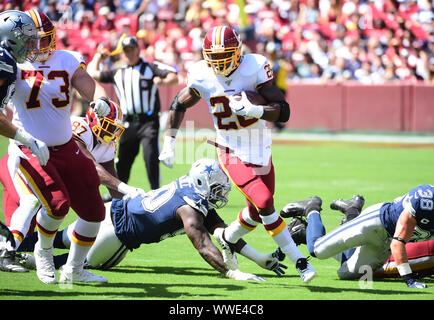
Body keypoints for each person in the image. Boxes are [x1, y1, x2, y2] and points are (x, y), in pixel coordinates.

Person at [158, 25, 316, 283]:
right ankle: (300, 261)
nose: (219, 62)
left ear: (238, 51)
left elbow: (283, 110)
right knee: (265, 203)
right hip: (229, 148)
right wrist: (169, 142)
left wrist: (257, 111)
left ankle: (227, 239)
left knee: (255, 213)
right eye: (214, 57)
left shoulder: (255, 66)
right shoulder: (200, 73)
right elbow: (178, 103)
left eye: (225, 55)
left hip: (260, 145)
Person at [18, 158, 287, 281]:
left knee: (65, 237)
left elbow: (223, 234)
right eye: (216, 189)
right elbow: (204, 244)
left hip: (116, 210)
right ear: (203, 183)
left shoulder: (190, 190)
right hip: (119, 237)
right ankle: (24, 259)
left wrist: (259, 257)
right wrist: (231, 272)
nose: (219, 195)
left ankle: (11, 246)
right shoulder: (190, 209)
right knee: (76, 262)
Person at [4, 8, 112, 284]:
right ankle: (43, 252)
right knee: (57, 204)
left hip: (65, 146)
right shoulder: (11, 63)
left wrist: (100, 101)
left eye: (43, 38)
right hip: (31, 147)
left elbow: (89, 86)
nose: (38, 45)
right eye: (33, 39)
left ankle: (74, 269)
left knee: (94, 211)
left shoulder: (66, 58)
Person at [0, 99, 146, 272]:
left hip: (48, 176)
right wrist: (127, 188)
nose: (111, 132)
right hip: (23, 165)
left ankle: (67, 266)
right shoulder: (78, 126)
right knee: (26, 211)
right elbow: (93, 167)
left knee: (28, 235)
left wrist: (131, 210)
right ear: (93, 119)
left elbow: (110, 177)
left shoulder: (107, 143)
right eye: (108, 126)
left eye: (114, 128)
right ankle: (9, 253)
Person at [280, 184, 434, 289]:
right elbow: (397, 243)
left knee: (348, 272)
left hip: (385, 242)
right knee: (317, 250)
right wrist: (409, 280)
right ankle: (311, 207)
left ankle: (350, 211)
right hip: (375, 223)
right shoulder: (424, 201)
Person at [87, 35, 179, 194]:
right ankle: (117, 194)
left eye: (132, 49)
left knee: (150, 157)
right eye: (126, 50)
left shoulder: (149, 67)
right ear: (122, 53)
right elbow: (92, 73)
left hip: (148, 121)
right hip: (127, 122)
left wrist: (163, 82)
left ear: (138, 50)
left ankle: (156, 192)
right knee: (122, 160)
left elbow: (173, 76)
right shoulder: (118, 72)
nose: (129, 53)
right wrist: (98, 56)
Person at [0, 10, 48, 273]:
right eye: (27, 40)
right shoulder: (4, 61)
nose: (31, 46)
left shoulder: (8, 61)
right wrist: (26, 138)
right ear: (11, 37)